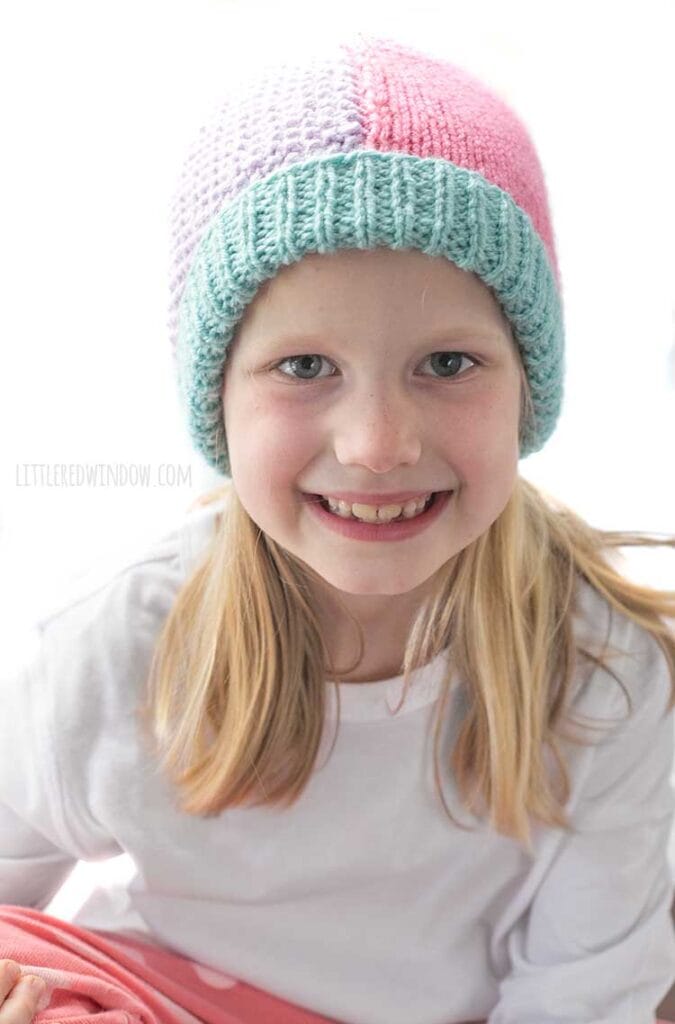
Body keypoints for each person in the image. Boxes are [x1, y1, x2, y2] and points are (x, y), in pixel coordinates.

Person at [1, 30, 674, 1024]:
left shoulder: (602, 671)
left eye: (447, 364)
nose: (376, 445)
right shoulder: (115, 646)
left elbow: (582, 998)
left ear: (526, 387)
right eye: (305, 367)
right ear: (219, 400)